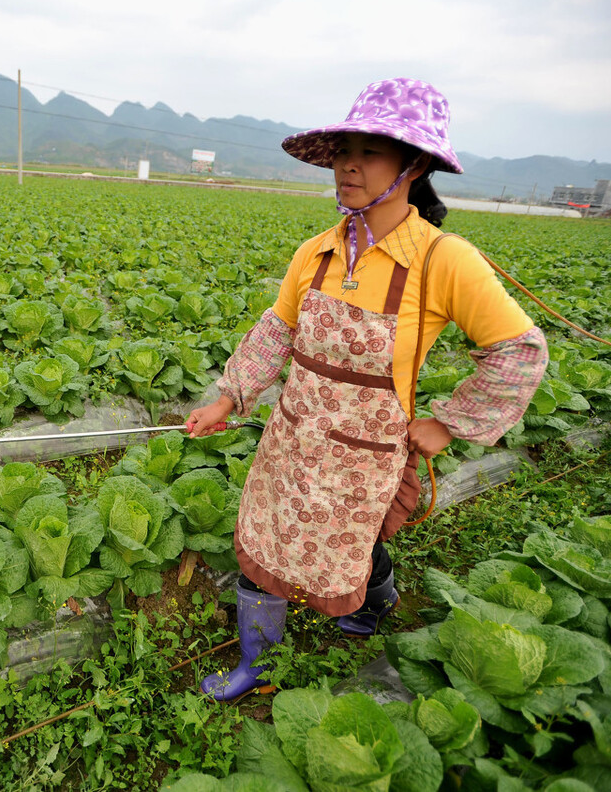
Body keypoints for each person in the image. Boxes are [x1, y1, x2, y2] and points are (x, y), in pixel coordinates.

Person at [186, 78, 549, 702]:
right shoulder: (317, 252)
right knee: (264, 544)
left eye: (372, 150)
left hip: (364, 454)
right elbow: (278, 330)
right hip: (292, 437)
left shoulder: (445, 261)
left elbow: (520, 353)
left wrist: (448, 422)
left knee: (355, 543)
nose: (349, 164)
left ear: (414, 165)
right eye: (344, 149)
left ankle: (375, 605)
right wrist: (228, 396)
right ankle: (257, 666)